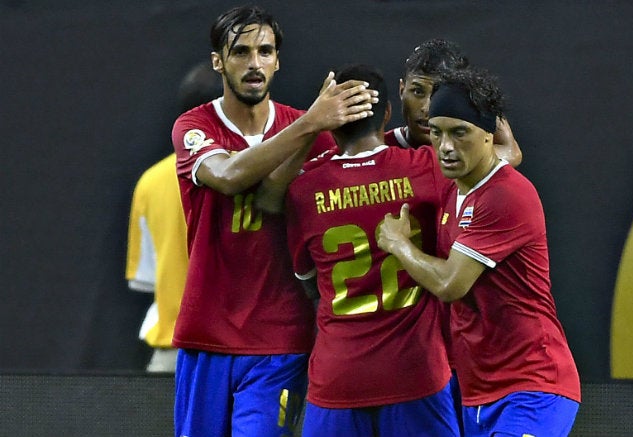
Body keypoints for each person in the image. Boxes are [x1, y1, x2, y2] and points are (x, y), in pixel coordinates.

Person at [170, 5, 376, 437]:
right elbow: (227, 177)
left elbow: (377, 157)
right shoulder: (195, 126)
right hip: (206, 333)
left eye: (265, 51)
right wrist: (311, 122)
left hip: (281, 340)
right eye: (240, 52)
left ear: (278, 60)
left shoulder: (311, 133)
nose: (253, 64)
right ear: (217, 61)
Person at [377, 67, 581, 437]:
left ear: (490, 135)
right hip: (479, 391)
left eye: (460, 133)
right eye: (437, 132)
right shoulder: (453, 191)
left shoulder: (506, 194)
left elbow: (452, 284)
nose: (446, 146)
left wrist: (397, 244)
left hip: (532, 385)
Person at [282, 64, 459, 437]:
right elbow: (499, 160)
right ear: (388, 114)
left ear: (329, 122)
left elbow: (309, 284)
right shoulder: (427, 168)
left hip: (338, 377)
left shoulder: (303, 189)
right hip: (416, 372)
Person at [125, 61, 222, 373]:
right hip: (241, 354)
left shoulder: (150, 182)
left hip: (172, 358)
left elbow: (147, 279)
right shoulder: (262, 174)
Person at [385, 38, 522, 166]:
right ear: (402, 90)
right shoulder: (378, 150)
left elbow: (512, 152)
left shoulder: (469, 149)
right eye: (418, 92)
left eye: (438, 93)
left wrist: (477, 95)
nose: (426, 108)